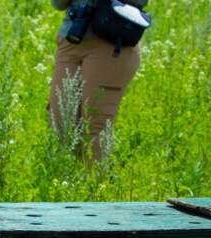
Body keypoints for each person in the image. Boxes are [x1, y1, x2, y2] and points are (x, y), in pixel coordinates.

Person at [49, 0, 147, 159]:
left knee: (95, 128)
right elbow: (58, 4)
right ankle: (64, 174)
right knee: (60, 123)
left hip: (112, 42)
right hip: (72, 37)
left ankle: (95, 176)